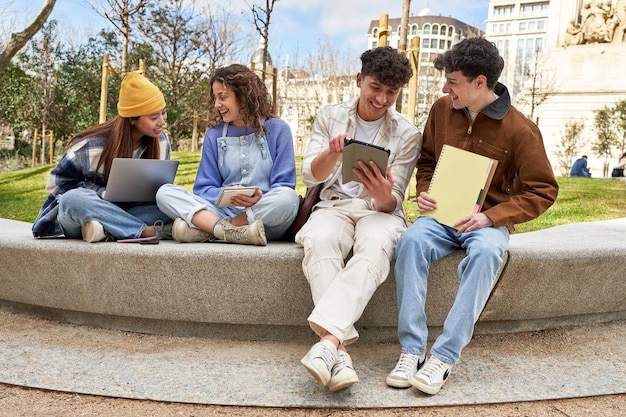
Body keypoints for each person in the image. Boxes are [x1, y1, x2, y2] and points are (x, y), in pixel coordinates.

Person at [387, 37, 558, 395]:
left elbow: (543, 190)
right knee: (410, 241)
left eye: (453, 82)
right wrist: (425, 191)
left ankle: (445, 357)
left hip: (486, 223)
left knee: (485, 253)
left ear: (480, 82)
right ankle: (412, 350)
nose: (445, 88)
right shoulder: (440, 109)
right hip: (441, 217)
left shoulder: (521, 130)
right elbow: (428, 159)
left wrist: (493, 217)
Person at [296, 46, 422, 392]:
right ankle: (338, 352)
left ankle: (328, 344)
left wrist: (382, 192)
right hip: (333, 204)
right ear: (359, 80)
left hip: (377, 212)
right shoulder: (328, 116)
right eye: (376, 87)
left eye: (391, 92)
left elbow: (393, 201)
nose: (382, 99)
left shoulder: (407, 134)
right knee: (320, 240)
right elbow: (310, 177)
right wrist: (333, 153)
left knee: (377, 244)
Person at [155, 64, 299, 245]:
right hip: (222, 211)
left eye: (222, 97)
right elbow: (203, 189)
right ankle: (226, 230)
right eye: (215, 98)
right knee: (164, 192)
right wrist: (226, 193)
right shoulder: (214, 135)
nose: (217, 105)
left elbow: (284, 185)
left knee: (288, 198)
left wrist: (258, 198)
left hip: (263, 217)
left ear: (244, 96)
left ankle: (215, 230)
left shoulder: (278, 129)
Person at [32, 71, 173, 242]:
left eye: (163, 113)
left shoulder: (161, 141)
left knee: (171, 203)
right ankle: (144, 232)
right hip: (85, 212)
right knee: (73, 199)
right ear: (132, 119)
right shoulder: (90, 146)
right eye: (153, 117)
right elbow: (56, 186)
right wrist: (103, 194)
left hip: (130, 212)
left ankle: (105, 230)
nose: (162, 121)